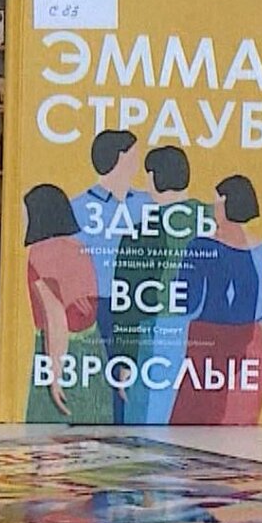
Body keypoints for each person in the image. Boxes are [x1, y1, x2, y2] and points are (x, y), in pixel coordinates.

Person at [112, 146, 210, 424]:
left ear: (154, 177)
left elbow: (128, 298)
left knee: (148, 422)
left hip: (158, 332)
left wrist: (125, 358)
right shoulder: (214, 219)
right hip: (211, 333)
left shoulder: (143, 230)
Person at [171, 175, 262, 424]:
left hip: (208, 343)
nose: (213, 207)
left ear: (226, 202)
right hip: (251, 345)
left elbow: (186, 303)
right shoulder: (261, 251)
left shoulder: (200, 246)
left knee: (194, 419)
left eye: (216, 201)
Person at [69, 130, 152, 421]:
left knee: (139, 382)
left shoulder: (147, 203)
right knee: (102, 383)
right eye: (133, 155)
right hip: (96, 305)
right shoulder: (77, 207)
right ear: (119, 157)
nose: (138, 161)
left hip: (139, 302)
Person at [23, 184, 112, 424]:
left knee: (47, 428)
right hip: (92, 347)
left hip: (60, 350)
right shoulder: (79, 248)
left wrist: (55, 374)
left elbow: (56, 319)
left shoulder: (40, 253)